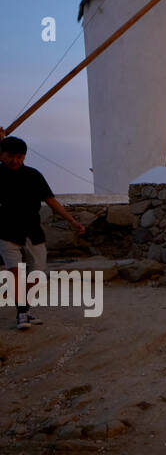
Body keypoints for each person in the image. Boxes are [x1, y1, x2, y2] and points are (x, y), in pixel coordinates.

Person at [0, 136, 85, 329]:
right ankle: (23, 314)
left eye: (20, 157)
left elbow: (51, 200)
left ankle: (25, 310)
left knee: (37, 275)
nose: (15, 161)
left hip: (32, 231)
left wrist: (72, 220)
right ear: (1, 155)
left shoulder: (33, 175)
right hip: (6, 232)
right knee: (14, 274)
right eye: (10, 156)